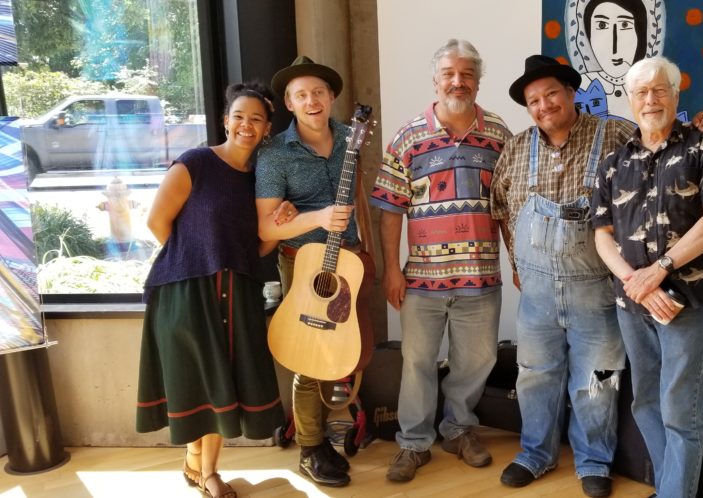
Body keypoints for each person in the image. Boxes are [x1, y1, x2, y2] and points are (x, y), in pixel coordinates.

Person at [491, 54, 703, 498]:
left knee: (597, 379)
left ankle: (594, 460)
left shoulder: (614, 135)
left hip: (598, 288)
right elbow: (501, 212)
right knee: (534, 373)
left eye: (551, 93)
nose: (544, 105)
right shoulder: (515, 148)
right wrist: (517, 266)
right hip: (537, 291)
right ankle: (535, 453)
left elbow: (665, 139)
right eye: (534, 100)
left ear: (571, 93)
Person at [593, 56, 703, 498]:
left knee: (681, 410)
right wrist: (634, 282)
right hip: (632, 303)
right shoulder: (613, 163)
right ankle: (671, 488)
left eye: (660, 90)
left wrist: (658, 271)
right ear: (629, 100)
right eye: (641, 92)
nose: (650, 99)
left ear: (676, 96)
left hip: (684, 301)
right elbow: (602, 237)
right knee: (645, 404)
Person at [137, 82, 289, 498]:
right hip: (185, 292)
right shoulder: (195, 163)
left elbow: (257, 246)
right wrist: (194, 259)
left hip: (236, 292)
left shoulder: (259, 181)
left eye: (256, 119)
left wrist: (280, 222)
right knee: (197, 380)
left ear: (267, 129)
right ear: (226, 121)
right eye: (239, 116)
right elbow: (157, 223)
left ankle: (202, 469)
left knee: (222, 382)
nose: (246, 125)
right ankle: (202, 471)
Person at [371, 39, 510, 483]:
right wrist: (393, 268)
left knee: (478, 360)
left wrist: (517, 261)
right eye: (449, 73)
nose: (458, 81)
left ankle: (459, 428)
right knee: (416, 362)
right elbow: (390, 208)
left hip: (481, 277)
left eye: (467, 74)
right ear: (435, 79)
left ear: (478, 80)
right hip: (423, 281)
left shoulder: (499, 135)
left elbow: (507, 206)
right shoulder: (409, 136)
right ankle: (413, 443)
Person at [255, 55, 372, 488]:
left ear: (332, 97)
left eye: (319, 92)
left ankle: (341, 426)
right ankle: (310, 445)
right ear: (289, 103)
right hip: (303, 264)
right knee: (310, 354)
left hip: (351, 264)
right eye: (301, 94)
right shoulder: (273, 155)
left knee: (346, 350)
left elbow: (359, 197)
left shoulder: (351, 138)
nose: (312, 100)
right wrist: (319, 217)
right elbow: (267, 225)